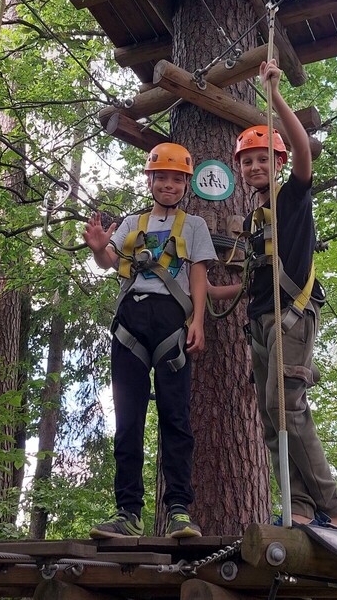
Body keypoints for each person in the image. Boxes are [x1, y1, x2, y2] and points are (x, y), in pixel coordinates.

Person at [208, 59, 337, 531]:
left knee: (286, 407)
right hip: (260, 320)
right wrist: (212, 291)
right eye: (247, 161)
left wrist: (274, 97)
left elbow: (304, 150)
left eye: (263, 159)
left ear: (279, 163)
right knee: (271, 418)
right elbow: (255, 281)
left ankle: (333, 509)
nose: (254, 167)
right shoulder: (254, 223)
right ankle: (302, 507)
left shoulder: (292, 200)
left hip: (292, 315)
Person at [83, 142, 216, 539]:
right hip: (130, 323)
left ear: (186, 185)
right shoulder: (131, 223)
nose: (169, 185)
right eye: (162, 178)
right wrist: (98, 250)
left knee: (176, 417)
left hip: (172, 323)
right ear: (150, 181)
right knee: (128, 419)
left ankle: (179, 509)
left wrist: (198, 321)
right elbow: (109, 262)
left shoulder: (194, 226)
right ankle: (128, 512)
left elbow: (198, 276)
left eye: (177, 180)